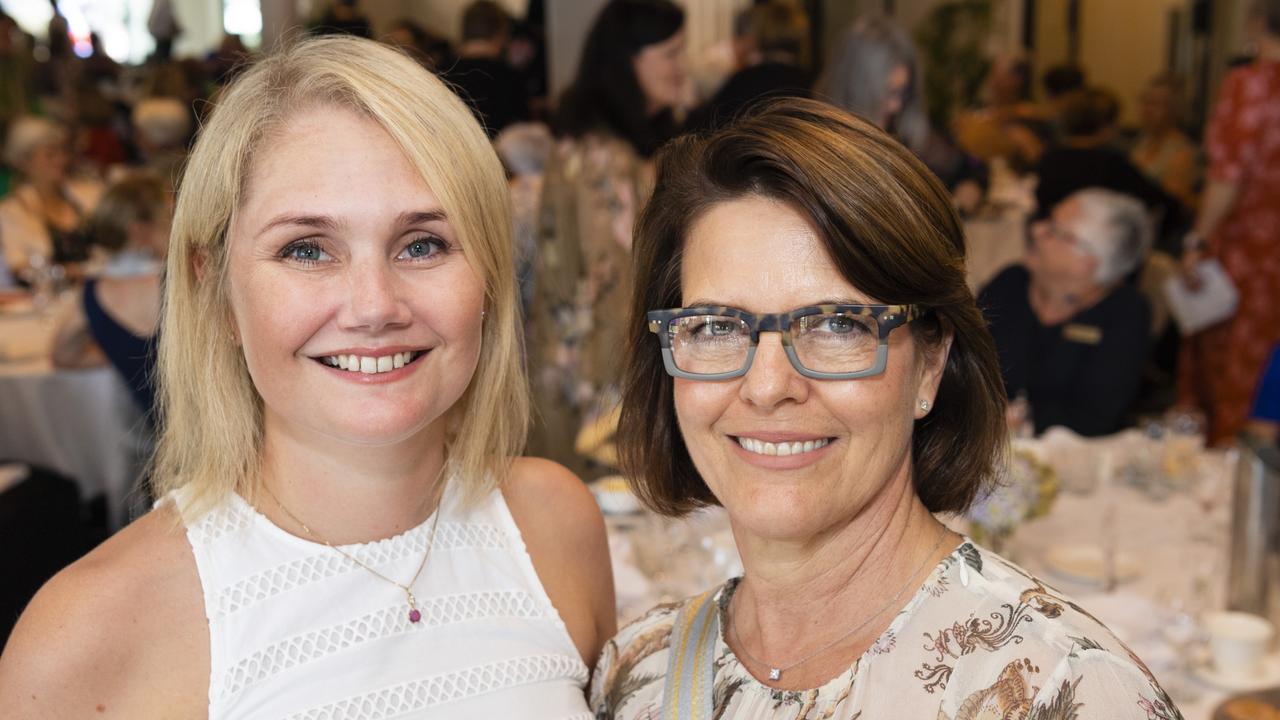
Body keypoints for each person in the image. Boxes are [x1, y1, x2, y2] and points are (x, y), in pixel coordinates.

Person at [0, 36, 614, 717]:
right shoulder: (84, 637)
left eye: (423, 244)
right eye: (307, 249)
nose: (376, 305)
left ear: (490, 277)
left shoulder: (557, 522)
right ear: (216, 293)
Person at [590, 98, 1177, 718]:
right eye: (714, 326)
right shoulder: (638, 675)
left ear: (930, 363)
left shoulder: (1065, 693)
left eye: (839, 323)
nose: (767, 387)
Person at [527, 0, 686, 478]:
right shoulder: (606, 160)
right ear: (629, 61)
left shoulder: (601, 144)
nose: (682, 68)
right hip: (591, 380)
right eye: (672, 54)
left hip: (578, 366)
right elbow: (611, 288)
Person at [1177, 0, 1280, 447]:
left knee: (1236, 370)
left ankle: (1230, 473)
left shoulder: (1249, 84)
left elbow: (1227, 177)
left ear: (1258, 23)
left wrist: (1197, 238)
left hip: (1249, 252)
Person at [980, 189, 1154, 436]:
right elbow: (957, 365)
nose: (1036, 230)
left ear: (1086, 261)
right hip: (976, 444)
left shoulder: (1125, 314)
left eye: (1053, 230)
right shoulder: (1011, 284)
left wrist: (1018, 422)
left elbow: (1094, 417)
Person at [816, 16, 984, 212]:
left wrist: (973, 184)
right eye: (885, 93)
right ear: (856, 89)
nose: (895, 105)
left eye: (902, 93)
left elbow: (972, 164)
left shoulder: (904, 130)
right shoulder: (822, 147)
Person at [49, 174, 168, 414]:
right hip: (227, 433)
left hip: (162, 436)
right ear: (139, 231)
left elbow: (64, 356)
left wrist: (124, 354)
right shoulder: (182, 281)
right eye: (168, 216)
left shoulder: (92, 294)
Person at [1034, 87, 1181, 231]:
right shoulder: (1110, 163)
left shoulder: (1050, 159)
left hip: (1054, 235)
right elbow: (1162, 203)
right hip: (1099, 242)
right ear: (1106, 127)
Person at [685, 0, 812, 132]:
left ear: (758, 34)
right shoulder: (809, 81)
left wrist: (690, 104)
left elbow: (701, 128)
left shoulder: (746, 80)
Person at [0, 115, 102, 276]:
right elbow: (20, 267)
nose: (61, 160)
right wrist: (66, 273)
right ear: (23, 162)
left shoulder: (88, 193)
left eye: (62, 152)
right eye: (50, 155)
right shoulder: (11, 211)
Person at [443, 1, 528, 138]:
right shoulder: (510, 76)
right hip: (497, 157)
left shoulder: (440, 71)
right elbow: (520, 132)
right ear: (501, 33)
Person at [1131, 74, 1200, 211]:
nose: (1147, 110)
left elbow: (1173, 199)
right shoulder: (1141, 143)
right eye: (1145, 102)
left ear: (1175, 110)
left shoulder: (1182, 151)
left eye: (1156, 104)